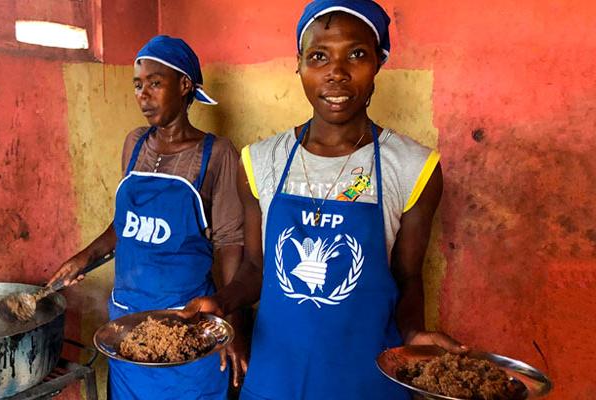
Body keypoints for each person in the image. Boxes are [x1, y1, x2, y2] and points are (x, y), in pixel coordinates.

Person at [182, 1, 466, 398]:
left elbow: (407, 278)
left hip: (367, 380)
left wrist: (414, 332)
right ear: (298, 64)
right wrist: (222, 301)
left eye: (356, 54)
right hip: (275, 379)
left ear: (378, 64)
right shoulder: (260, 161)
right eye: (319, 56)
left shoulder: (413, 168)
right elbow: (255, 267)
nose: (336, 72)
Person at [49, 35, 246, 399]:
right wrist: (84, 258)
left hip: (186, 323)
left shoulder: (216, 154)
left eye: (155, 83)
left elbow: (230, 245)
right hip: (128, 322)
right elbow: (124, 225)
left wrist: (230, 326)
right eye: (138, 85)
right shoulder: (134, 143)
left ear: (184, 85)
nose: (143, 94)